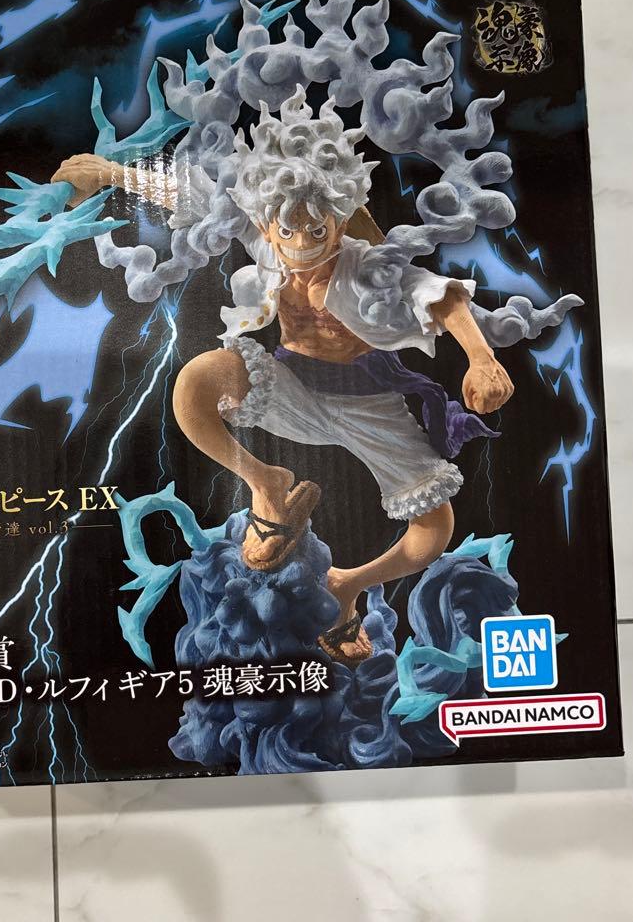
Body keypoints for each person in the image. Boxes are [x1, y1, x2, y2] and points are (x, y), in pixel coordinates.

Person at [52, 89, 513, 666]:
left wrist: (481, 358)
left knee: (433, 531)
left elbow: (439, 294)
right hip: (291, 389)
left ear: (339, 219)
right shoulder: (268, 236)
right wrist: (112, 174)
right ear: (267, 223)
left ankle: (347, 585)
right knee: (195, 383)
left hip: (370, 403)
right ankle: (265, 482)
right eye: (286, 233)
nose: (299, 248)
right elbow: (198, 200)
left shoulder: (369, 265)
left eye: (316, 233)